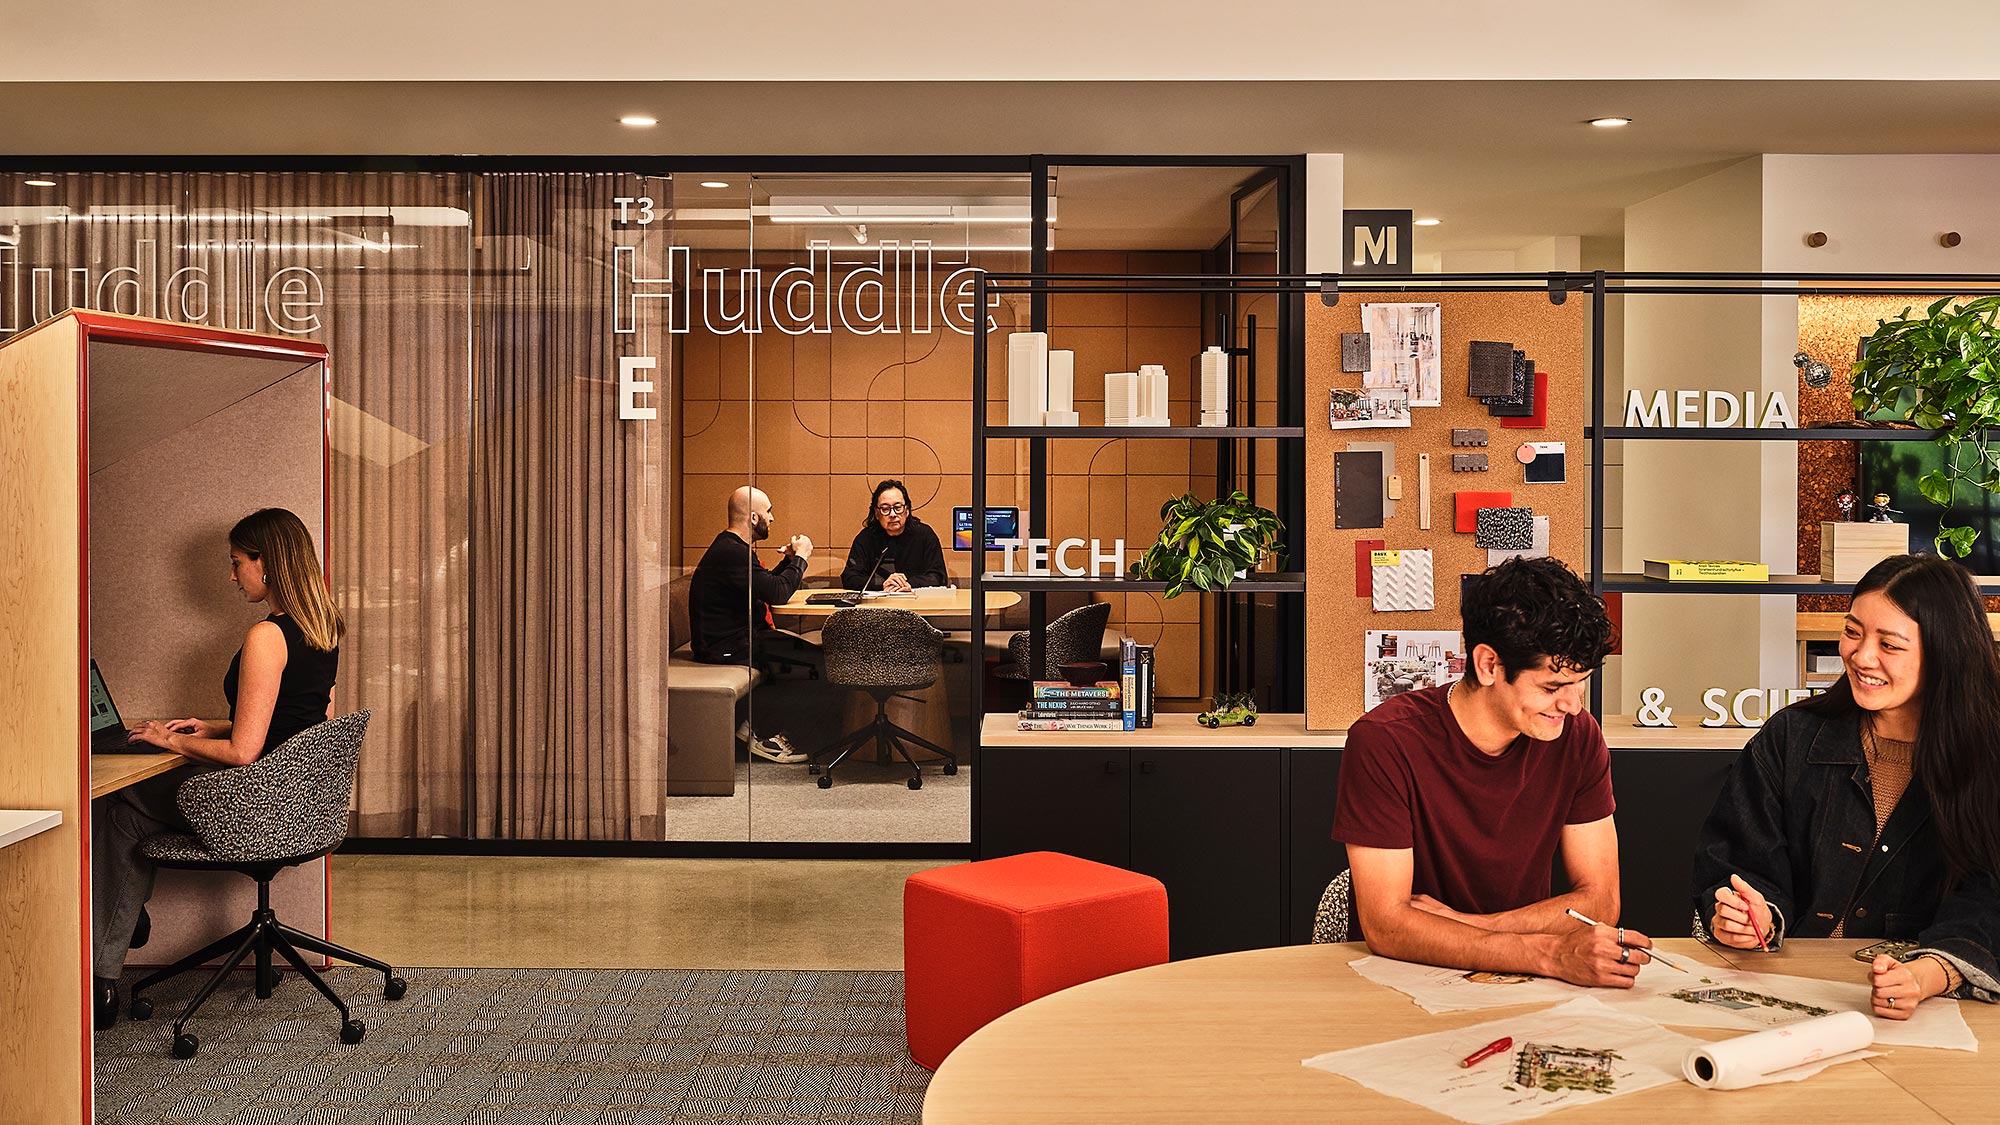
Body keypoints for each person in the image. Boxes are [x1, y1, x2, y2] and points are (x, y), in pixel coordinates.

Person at [1693, 554, 2000, 1017]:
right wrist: (1748, 914)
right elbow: (1737, 859)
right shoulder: (1792, 737)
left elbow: (1989, 895)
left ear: (1945, 651)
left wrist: (1931, 971)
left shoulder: (1987, 755)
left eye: (1889, 644)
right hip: (1786, 992)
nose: (1861, 656)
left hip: (1931, 1007)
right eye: (1852, 631)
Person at [1333, 556, 1649, 987]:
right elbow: (1388, 926)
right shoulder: (1385, 740)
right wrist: (1549, 952)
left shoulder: (1577, 736)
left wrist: (1470, 927)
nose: (1573, 705)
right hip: (1399, 976)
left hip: (1523, 980)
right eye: (1552, 687)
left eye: (1582, 683)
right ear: (1488, 665)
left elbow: (1600, 901)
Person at [94, 507, 343, 1028]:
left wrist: (168, 741)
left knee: (116, 798)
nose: (232, 575)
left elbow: (245, 754)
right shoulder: (322, 628)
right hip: (300, 801)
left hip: (254, 803)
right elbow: (303, 723)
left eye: (236, 562)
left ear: (266, 562)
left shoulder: (266, 636)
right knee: (130, 821)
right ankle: (108, 961)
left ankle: (110, 947)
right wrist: (208, 726)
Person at [688, 485, 825, 764]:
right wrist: (800, 558)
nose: (772, 518)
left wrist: (788, 562)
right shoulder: (732, 552)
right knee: (814, 662)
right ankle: (765, 734)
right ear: (753, 518)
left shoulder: (733, 548)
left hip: (735, 638)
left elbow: (765, 587)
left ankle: (759, 727)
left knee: (807, 655)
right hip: (724, 645)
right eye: (768, 512)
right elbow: (777, 593)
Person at [841, 480, 947, 592]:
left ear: (907, 510)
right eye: (885, 509)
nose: (892, 514)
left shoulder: (924, 535)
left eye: (898, 507)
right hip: (878, 605)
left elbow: (939, 577)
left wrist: (908, 584)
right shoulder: (866, 538)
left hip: (916, 603)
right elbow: (849, 578)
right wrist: (883, 584)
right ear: (876, 513)